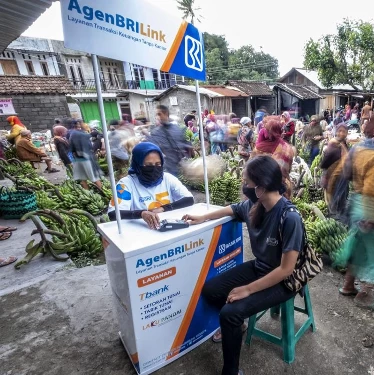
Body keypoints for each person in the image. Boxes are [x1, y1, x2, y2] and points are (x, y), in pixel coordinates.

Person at [183, 155, 303, 375]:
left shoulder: (290, 217)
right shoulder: (254, 204)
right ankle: (238, 326)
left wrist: (247, 289)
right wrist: (203, 217)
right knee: (210, 290)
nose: (243, 186)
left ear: (262, 186)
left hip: (282, 281)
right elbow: (232, 209)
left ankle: (231, 370)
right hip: (261, 268)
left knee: (230, 313)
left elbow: (286, 269)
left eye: (247, 182)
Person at [336, 114, 374, 311]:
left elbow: (345, 172)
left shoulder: (359, 148)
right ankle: (365, 294)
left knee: (358, 247)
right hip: (371, 205)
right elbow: (373, 190)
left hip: (356, 202)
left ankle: (347, 285)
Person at [108, 142, 194, 224]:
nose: (153, 168)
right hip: (141, 232)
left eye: (158, 164)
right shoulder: (126, 184)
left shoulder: (167, 179)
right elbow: (113, 214)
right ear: (137, 164)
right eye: (148, 165)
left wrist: (163, 208)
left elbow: (189, 199)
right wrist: (141, 214)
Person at [253, 116, 295, 198]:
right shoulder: (287, 148)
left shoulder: (259, 148)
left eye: (264, 128)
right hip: (281, 192)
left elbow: (252, 171)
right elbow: (287, 170)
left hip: (265, 192)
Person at [146, 105, 192, 175]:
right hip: (164, 168)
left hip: (176, 165)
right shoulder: (156, 132)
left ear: (166, 114)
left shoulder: (176, 128)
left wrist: (188, 147)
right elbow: (151, 147)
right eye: (156, 115)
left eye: (159, 114)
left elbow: (182, 143)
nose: (157, 117)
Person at [320, 123, 348, 212]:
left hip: (342, 176)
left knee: (341, 197)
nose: (342, 133)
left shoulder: (344, 143)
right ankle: (333, 214)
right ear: (336, 132)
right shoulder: (333, 143)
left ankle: (338, 213)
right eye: (340, 131)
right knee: (332, 197)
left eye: (344, 131)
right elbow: (326, 160)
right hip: (332, 174)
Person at [70, 120, 102, 189]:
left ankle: (88, 194)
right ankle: (102, 193)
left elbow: (71, 148)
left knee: (83, 179)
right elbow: (90, 147)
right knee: (94, 178)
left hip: (77, 160)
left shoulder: (72, 134)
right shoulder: (84, 135)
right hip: (87, 159)